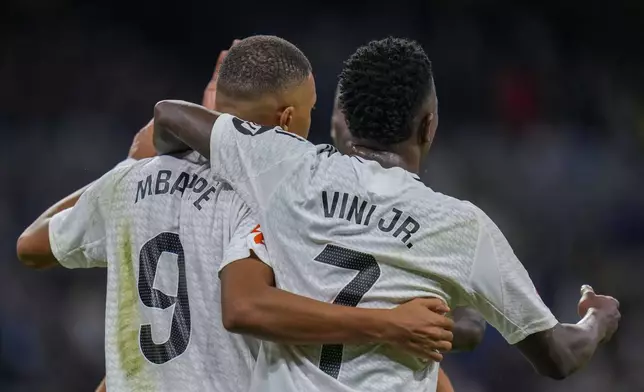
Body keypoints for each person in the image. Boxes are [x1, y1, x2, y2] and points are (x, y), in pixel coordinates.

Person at [153, 37, 621, 392]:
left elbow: (170, 116)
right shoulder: (462, 228)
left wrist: (192, 156)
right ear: (428, 125)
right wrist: (598, 319)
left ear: (341, 121)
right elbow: (559, 356)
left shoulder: (285, 166)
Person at [16, 36, 457, 392]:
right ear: (286, 120)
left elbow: (32, 245)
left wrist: (128, 166)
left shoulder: (132, 181)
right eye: (309, 110)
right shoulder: (282, 202)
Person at [329, 86, 486, 392]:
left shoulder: (428, 216)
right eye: (346, 108)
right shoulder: (303, 193)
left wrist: (422, 328)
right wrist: (389, 323)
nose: (356, 119)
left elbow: (473, 324)